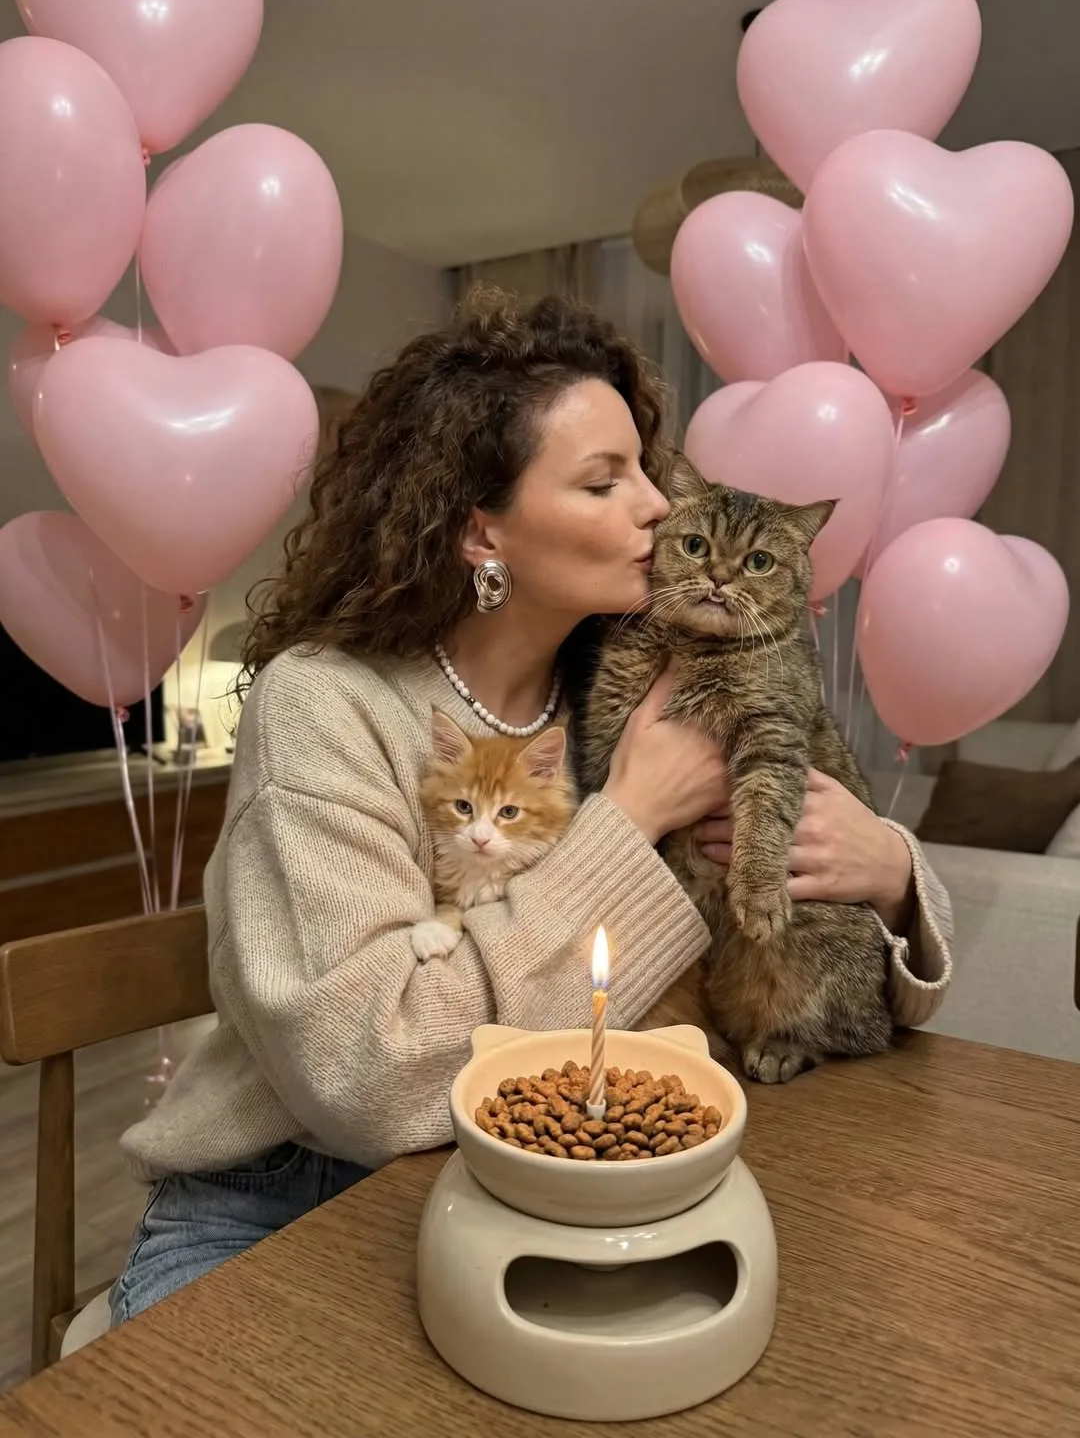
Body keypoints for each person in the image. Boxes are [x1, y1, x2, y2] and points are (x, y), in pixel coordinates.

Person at [109, 289, 952, 1325]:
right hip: (286, 1195)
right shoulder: (327, 705)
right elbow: (372, 1079)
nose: (660, 507)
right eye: (605, 481)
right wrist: (631, 813)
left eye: (647, 469)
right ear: (482, 532)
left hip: (535, 1170)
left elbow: (887, 988)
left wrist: (895, 873)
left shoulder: (629, 675)